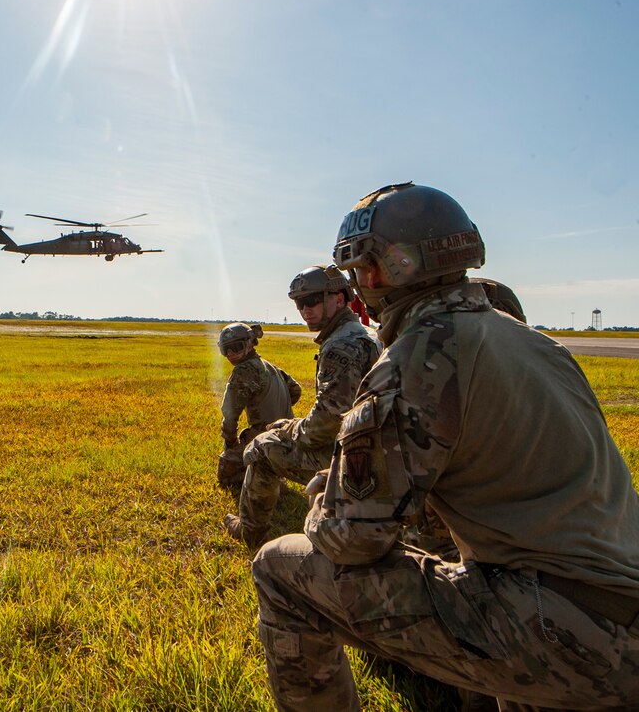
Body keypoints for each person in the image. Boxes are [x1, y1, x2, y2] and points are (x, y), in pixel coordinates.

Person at [250, 182, 639, 711]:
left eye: (361, 270)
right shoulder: (538, 344)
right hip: (611, 618)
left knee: (279, 568)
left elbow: (352, 541)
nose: (361, 287)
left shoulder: (422, 354)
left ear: (384, 271)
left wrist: (322, 504)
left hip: (564, 634)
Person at [223, 265, 381, 548]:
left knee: (260, 447)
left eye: (313, 300)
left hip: (351, 459)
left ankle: (249, 531)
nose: (305, 309)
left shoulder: (340, 346)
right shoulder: (367, 333)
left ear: (339, 299)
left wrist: (288, 428)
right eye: (299, 303)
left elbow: (325, 424)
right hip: (373, 447)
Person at [216, 322, 301, 491]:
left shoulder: (244, 370)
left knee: (226, 473)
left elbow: (230, 414)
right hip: (290, 435)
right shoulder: (269, 366)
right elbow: (295, 390)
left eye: (236, 347)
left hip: (268, 437)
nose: (231, 354)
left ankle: (267, 478)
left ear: (249, 344)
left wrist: (230, 443)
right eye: (226, 350)